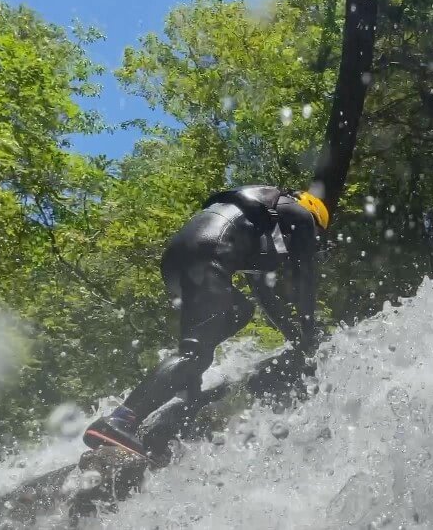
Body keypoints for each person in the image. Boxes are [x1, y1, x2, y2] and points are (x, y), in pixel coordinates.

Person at [83, 185, 329, 456]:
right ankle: (119, 420)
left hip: (180, 260)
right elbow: (305, 279)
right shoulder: (303, 215)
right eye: (316, 240)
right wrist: (309, 334)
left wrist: (293, 337)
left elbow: (264, 296)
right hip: (207, 259)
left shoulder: (256, 221)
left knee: (239, 311)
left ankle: (184, 394)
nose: (312, 245)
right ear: (315, 215)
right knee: (194, 354)